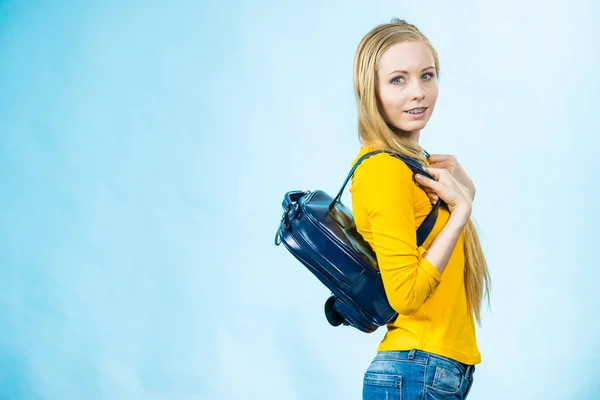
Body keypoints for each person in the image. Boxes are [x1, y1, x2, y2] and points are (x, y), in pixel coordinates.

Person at [349, 19, 492, 399]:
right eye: (399, 79)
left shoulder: (409, 165)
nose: (419, 92)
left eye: (427, 76)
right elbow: (406, 295)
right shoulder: (383, 170)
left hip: (433, 368)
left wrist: (466, 195)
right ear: (372, 90)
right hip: (415, 370)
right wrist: (459, 212)